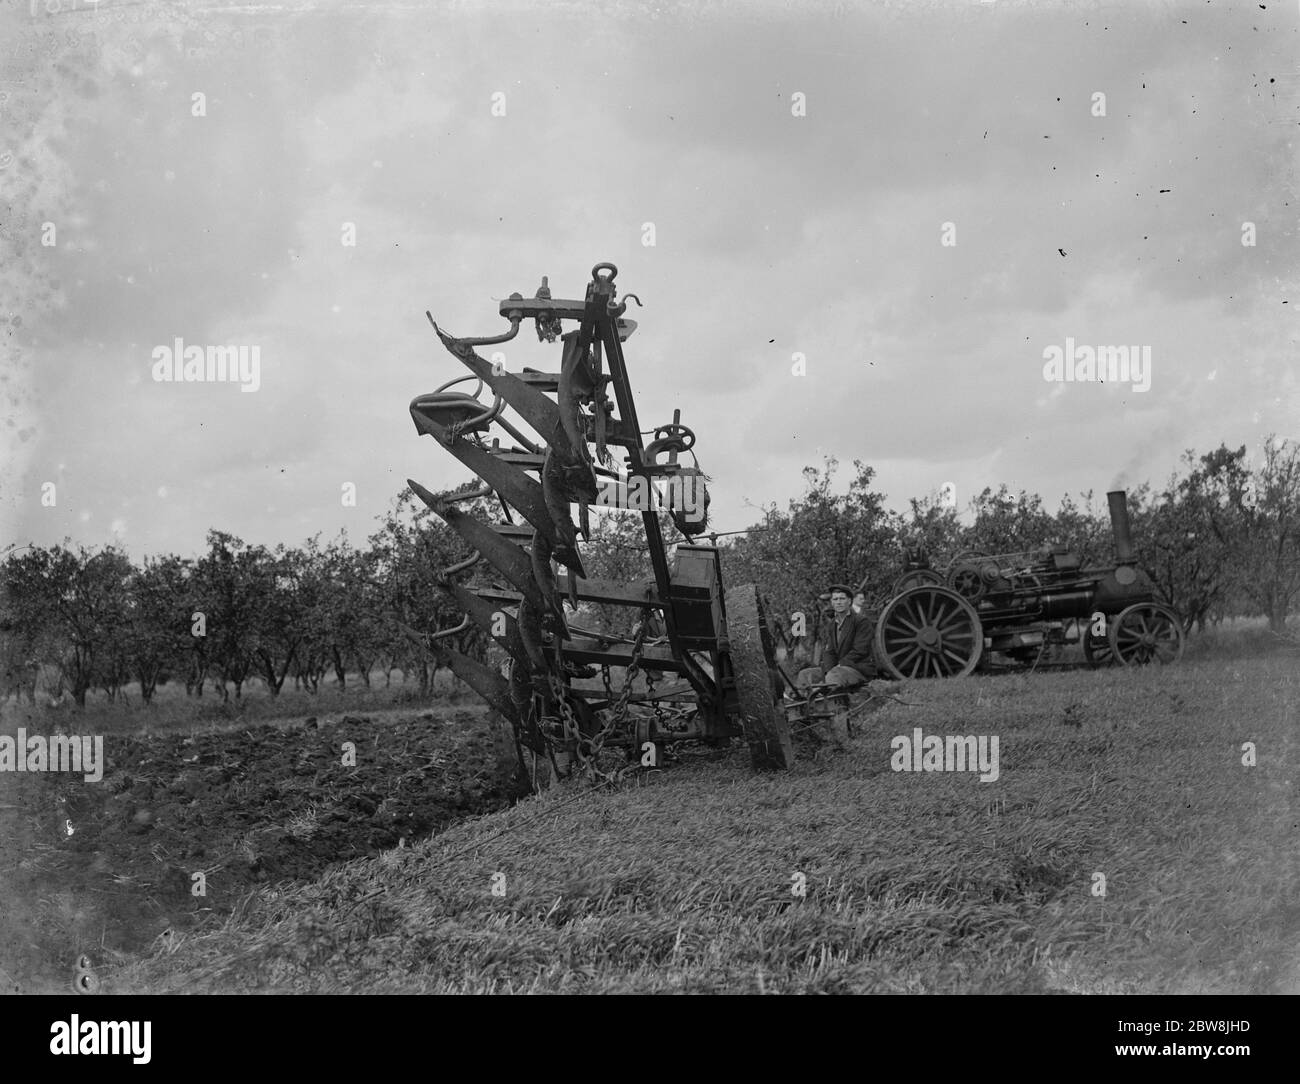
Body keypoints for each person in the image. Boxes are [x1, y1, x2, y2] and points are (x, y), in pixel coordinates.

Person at [796, 583, 874, 690]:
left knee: (835, 675)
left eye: (842, 599)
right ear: (832, 602)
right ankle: (802, 698)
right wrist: (828, 669)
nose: (838, 602)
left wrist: (839, 665)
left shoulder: (861, 621)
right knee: (805, 674)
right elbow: (830, 651)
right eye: (835, 599)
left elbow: (860, 650)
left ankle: (818, 698)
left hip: (858, 668)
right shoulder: (833, 624)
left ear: (850, 601)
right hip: (838, 669)